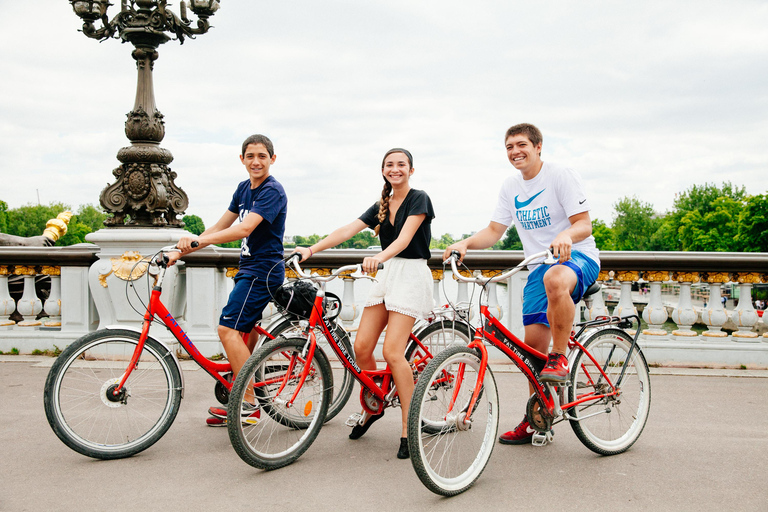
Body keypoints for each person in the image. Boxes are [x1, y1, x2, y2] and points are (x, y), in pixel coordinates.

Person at [444, 123, 600, 446]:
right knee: (530, 355)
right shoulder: (511, 186)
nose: (515, 151)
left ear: (538, 146)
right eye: (509, 147)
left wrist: (565, 236)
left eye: (521, 144)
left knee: (554, 278)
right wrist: (466, 244)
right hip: (537, 267)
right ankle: (538, 418)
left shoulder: (560, 175)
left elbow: (583, 224)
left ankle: (561, 355)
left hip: (577, 258)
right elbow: (494, 230)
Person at [295, 148, 434, 460]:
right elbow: (348, 230)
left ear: (411, 170)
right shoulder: (382, 205)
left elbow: (404, 240)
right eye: (389, 165)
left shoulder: (419, 198)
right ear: (383, 170)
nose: (395, 169)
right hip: (386, 276)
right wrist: (311, 249)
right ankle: (374, 404)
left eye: (401, 165)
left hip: (409, 274)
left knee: (392, 352)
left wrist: (378, 257)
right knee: (361, 348)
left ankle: (408, 428)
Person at [167, 134, 288, 426]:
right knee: (243, 333)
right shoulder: (243, 188)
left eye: (262, 156)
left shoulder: (272, 191)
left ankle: (247, 405)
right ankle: (245, 390)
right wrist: (182, 249)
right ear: (242, 159)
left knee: (227, 330)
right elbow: (221, 225)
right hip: (248, 268)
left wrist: (195, 243)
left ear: (272, 159)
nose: (256, 161)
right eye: (250, 156)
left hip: (263, 271)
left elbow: (244, 229)